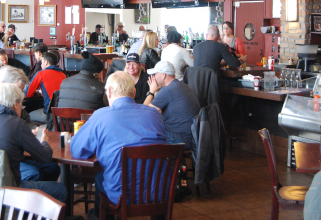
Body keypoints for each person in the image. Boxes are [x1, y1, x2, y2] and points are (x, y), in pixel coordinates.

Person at [70, 71, 167, 219]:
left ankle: (99, 216)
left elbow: (76, 150)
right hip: (159, 192)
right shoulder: (154, 114)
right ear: (134, 92)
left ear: (108, 92)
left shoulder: (101, 116)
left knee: (101, 177)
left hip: (122, 195)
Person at [0, 83, 67, 202]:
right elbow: (45, 157)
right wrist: (44, 141)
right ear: (16, 104)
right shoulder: (17, 123)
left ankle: (32, 209)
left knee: (52, 168)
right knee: (61, 190)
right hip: (9, 187)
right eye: (21, 104)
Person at [143, 61, 201, 149]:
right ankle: (177, 161)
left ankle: (172, 161)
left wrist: (151, 91)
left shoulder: (167, 91)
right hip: (193, 137)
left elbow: (144, 113)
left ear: (163, 75)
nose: (153, 77)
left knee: (145, 135)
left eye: (155, 74)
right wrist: (156, 92)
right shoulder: (181, 85)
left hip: (181, 140)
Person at [25, 52, 66, 123]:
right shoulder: (63, 75)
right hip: (63, 113)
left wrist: (36, 92)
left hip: (49, 114)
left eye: (41, 63)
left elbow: (28, 94)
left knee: (27, 116)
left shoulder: (40, 74)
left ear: (46, 62)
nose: (41, 65)